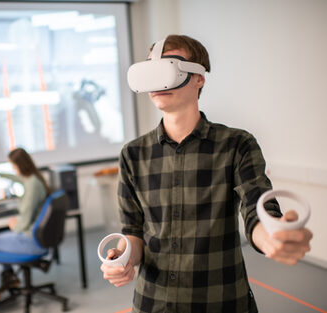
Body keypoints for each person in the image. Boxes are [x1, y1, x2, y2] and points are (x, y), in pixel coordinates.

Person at [100, 34, 313, 313]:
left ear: (199, 78)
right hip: (153, 303)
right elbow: (134, 232)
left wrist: (273, 236)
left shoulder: (237, 145)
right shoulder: (133, 154)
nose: (158, 82)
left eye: (170, 67)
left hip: (220, 301)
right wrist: (124, 257)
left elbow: (257, 210)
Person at [0, 148, 51, 312]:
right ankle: (9, 278)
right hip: (36, 237)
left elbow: (25, 221)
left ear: (20, 165)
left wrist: (15, 225)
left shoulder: (32, 185)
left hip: (31, 240)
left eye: (13, 166)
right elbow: (18, 179)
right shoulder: (32, 179)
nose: (13, 169)